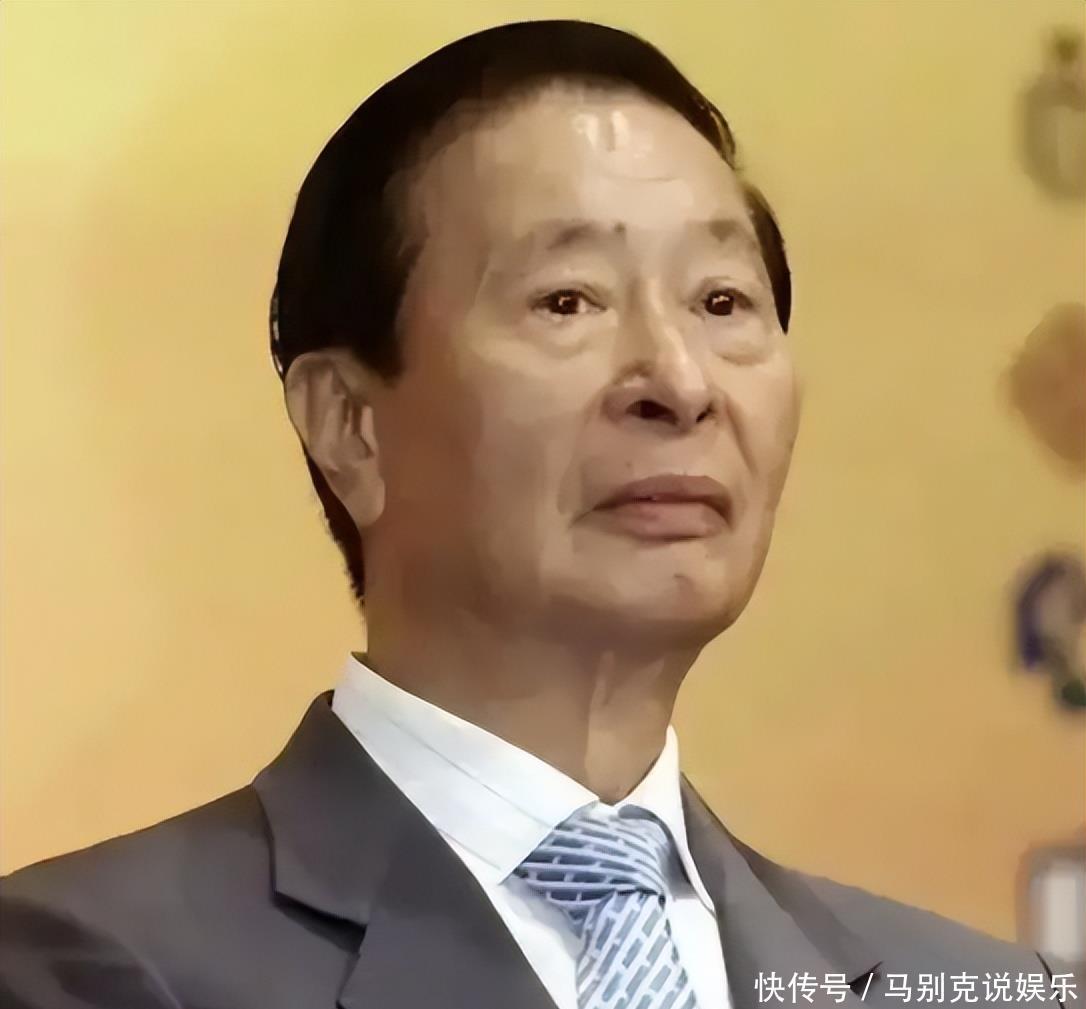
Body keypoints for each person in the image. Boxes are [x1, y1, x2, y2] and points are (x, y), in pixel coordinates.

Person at [0, 19, 1074, 1009]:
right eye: (569, 300)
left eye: (722, 301)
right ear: (350, 426)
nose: (680, 381)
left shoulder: (982, 988)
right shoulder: (93, 964)